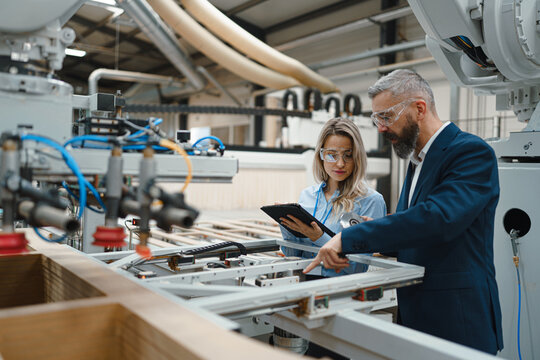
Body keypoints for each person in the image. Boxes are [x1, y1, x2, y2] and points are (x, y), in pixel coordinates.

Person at [304, 69, 504, 354]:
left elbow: (438, 219)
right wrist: (384, 241)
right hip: (419, 316)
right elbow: (417, 233)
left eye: (386, 117)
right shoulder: (416, 163)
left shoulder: (470, 152)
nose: (381, 128)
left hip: (457, 321)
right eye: (377, 119)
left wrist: (350, 238)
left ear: (419, 109)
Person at [280, 117, 386, 278]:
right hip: (300, 283)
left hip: (338, 292)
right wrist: (287, 227)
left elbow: (357, 267)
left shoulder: (371, 201)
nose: (340, 164)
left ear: (357, 157)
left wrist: (319, 238)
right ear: (321, 155)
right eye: (332, 155)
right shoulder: (307, 196)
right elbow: (293, 255)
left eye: (348, 155)